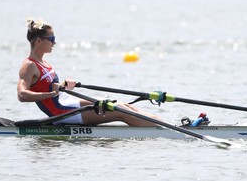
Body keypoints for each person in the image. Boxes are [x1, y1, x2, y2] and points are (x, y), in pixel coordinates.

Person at [17, 18, 160, 126]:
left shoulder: (44, 63)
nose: (54, 43)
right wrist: (52, 93)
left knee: (123, 106)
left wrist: (64, 86)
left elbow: (49, 87)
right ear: (38, 41)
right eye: (51, 39)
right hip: (60, 112)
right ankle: (165, 131)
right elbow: (22, 95)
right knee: (119, 111)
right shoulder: (29, 65)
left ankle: (165, 125)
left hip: (67, 102)